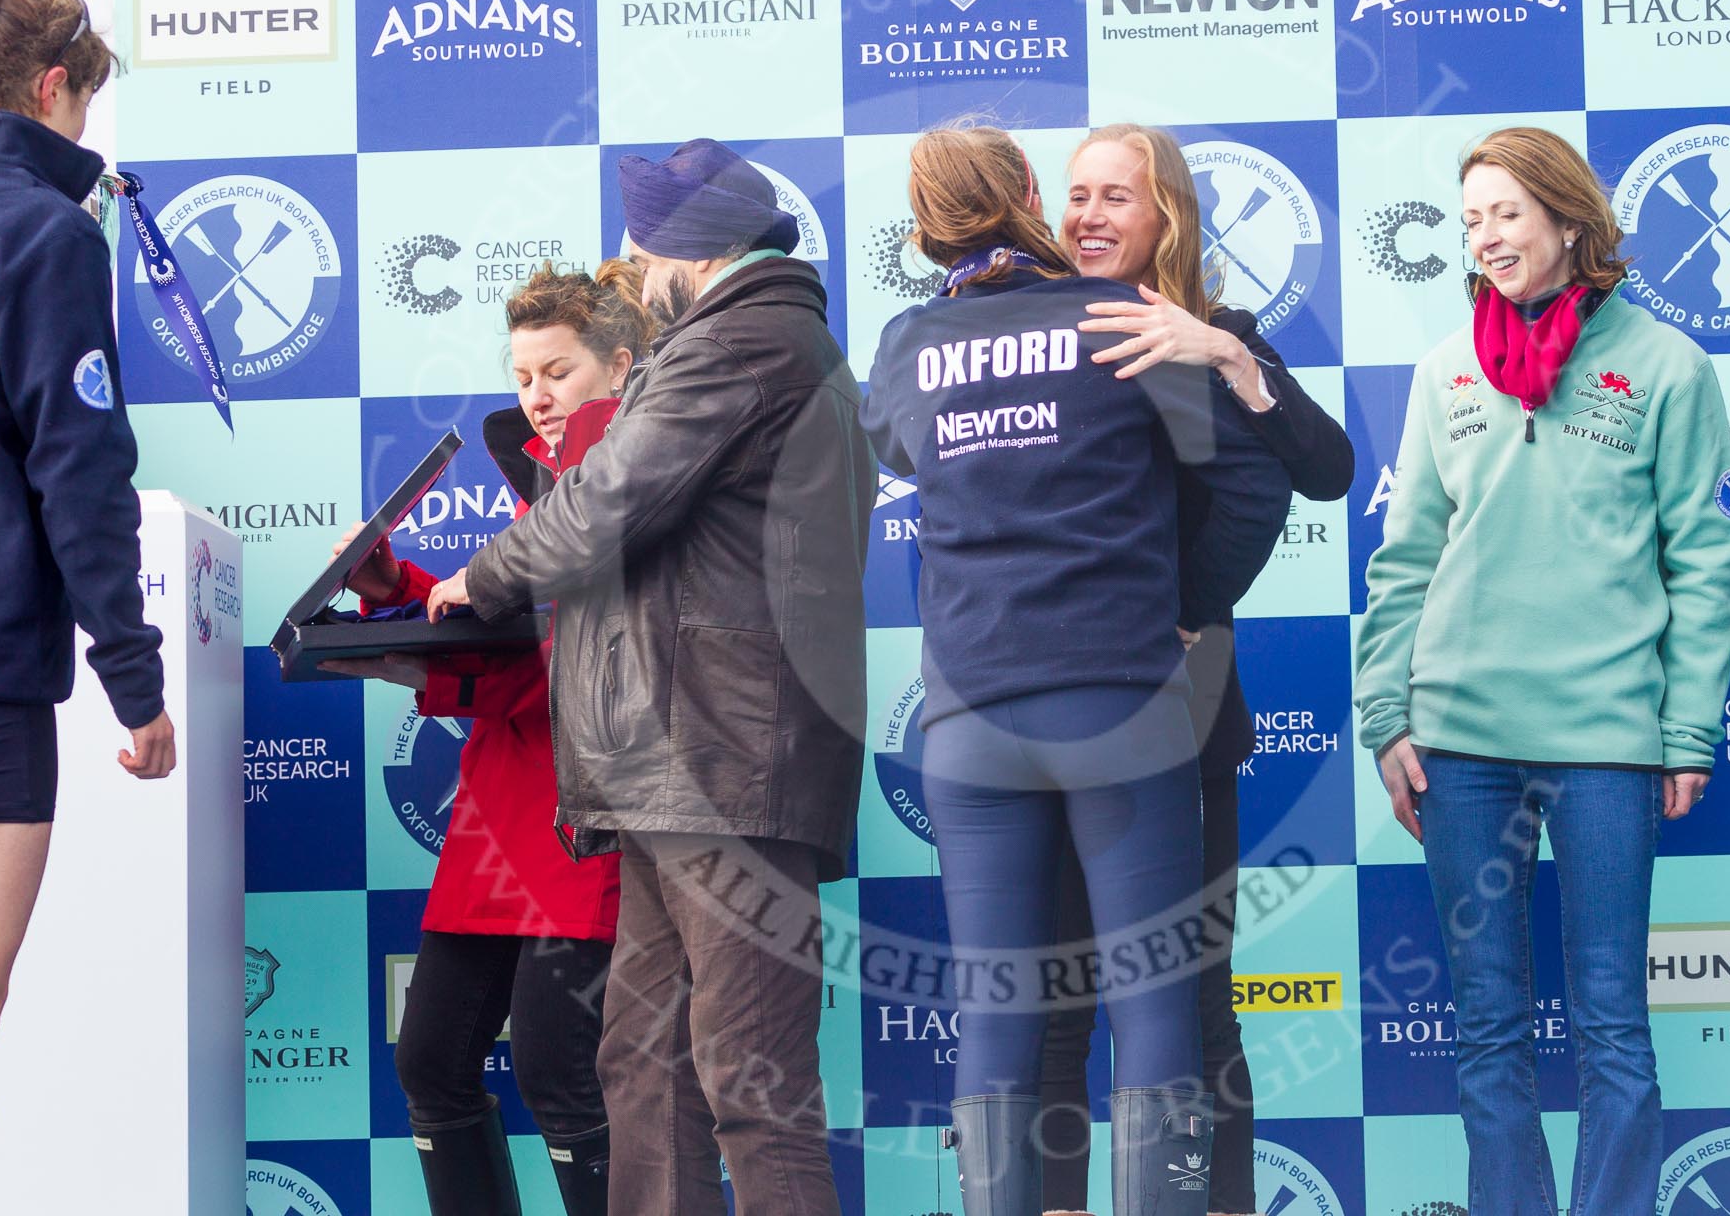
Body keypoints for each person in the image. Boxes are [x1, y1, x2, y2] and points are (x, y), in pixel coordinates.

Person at [426, 138, 872, 1216]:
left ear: (694, 249)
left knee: (751, 1086)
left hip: (726, 765)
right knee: (646, 1071)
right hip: (684, 765)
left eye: (644, 248)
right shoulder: (750, 339)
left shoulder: (743, 341)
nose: (635, 269)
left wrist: (477, 578)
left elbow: (601, 506)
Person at [860, 124, 1293, 1216]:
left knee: (999, 1009)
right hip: (1120, 699)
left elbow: (897, 447)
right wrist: (1189, 606)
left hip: (968, 713)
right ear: (1031, 196)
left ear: (923, 218)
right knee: (1152, 1003)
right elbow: (1255, 482)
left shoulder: (914, 340)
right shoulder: (1119, 319)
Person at [1352, 126, 1730, 1215]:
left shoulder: (1667, 364)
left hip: (1609, 739)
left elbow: (1705, 563)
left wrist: (1687, 730)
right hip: (1460, 741)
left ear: (1570, 222)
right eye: (1472, 220)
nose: (1486, 239)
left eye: (1507, 214)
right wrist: (1388, 713)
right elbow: (1407, 556)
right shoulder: (1446, 370)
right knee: (1487, 1020)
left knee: (1613, 1015)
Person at [1036, 123, 1354, 1216]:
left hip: (1183, 711)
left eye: (1115, 195)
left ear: (1167, 213)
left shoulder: (1222, 334)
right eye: (1076, 193)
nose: (1088, 214)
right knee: (1055, 998)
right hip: (1050, 716)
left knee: (1194, 998)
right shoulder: (1032, 333)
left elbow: (1321, 473)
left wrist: (1225, 356)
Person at [321, 262, 650, 1216]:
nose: (538, 397)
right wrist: (390, 593)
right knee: (430, 1059)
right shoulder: (538, 486)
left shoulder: (646, 478)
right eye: (521, 377)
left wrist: (413, 656)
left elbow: (577, 662)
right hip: (499, 817)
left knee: (561, 1068)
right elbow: (508, 633)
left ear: (621, 368)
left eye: (558, 372)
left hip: (587, 817)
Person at [0, 0, 173, 1052]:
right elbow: (81, 472)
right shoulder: (45, 235)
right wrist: (134, 681)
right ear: (52, 87)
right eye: (85, 104)